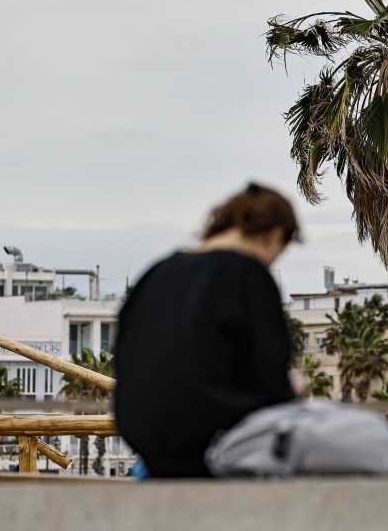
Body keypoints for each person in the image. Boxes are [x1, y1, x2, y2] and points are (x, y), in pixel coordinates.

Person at [115, 182, 302, 477]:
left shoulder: (158, 272)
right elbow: (271, 377)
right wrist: (293, 388)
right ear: (275, 235)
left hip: (152, 452)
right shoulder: (247, 274)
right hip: (221, 451)